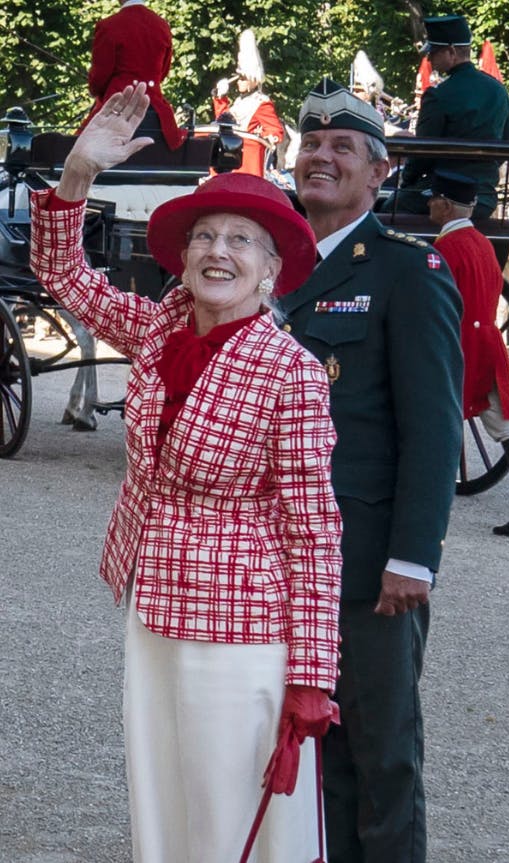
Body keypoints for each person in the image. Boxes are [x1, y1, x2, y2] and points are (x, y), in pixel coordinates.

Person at [30, 83, 342, 863]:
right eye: (206, 235)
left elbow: (315, 531)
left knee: (227, 810)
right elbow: (66, 280)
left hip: (241, 631)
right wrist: (76, 176)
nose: (218, 252)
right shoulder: (164, 323)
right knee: (160, 794)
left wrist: (312, 677)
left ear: (272, 272)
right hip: (152, 605)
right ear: (183, 255)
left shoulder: (291, 371)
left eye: (241, 240)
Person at [279, 77, 464, 863]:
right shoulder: (267, 265)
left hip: (367, 571)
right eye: (311, 144)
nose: (321, 157)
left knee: (382, 757)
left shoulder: (404, 273)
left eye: (342, 148)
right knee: (311, 760)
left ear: (379, 172)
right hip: (279, 567)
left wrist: (413, 557)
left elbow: (433, 432)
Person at [427, 169, 509, 538]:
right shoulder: (482, 245)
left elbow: (434, 308)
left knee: (436, 422)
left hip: (458, 350)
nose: (429, 203)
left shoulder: (444, 250)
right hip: (488, 344)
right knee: (507, 428)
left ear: (445, 206)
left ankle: (427, 503)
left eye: (433, 199)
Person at [382, 13, 509, 218]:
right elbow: (506, 144)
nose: (430, 58)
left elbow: (421, 156)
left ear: (451, 51)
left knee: (389, 208)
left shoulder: (438, 95)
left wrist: (406, 183)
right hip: (485, 199)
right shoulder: (499, 91)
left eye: (434, 51)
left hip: (444, 195)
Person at [78, 0, 185, 151]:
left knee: (77, 150)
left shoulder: (109, 25)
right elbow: (163, 71)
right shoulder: (162, 25)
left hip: (117, 105)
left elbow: (99, 78)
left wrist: (96, 91)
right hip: (153, 105)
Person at [212, 29, 284, 176]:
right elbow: (224, 122)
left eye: (243, 78)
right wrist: (220, 97)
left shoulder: (261, 103)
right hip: (228, 157)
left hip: (246, 164)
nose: (239, 82)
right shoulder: (239, 102)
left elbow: (275, 132)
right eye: (238, 78)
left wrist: (263, 139)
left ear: (253, 79)